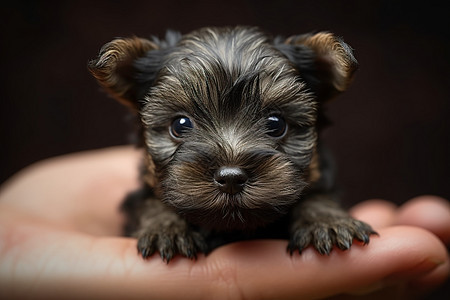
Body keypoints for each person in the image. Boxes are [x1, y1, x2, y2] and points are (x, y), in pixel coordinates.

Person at [0, 146, 448, 299]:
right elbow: (143, 206)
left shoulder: (313, 188)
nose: (231, 167)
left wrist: (321, 215)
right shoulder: (146, 198)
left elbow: (317, 198)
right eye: (181, 125)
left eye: (275, 125)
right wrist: (161, 219)